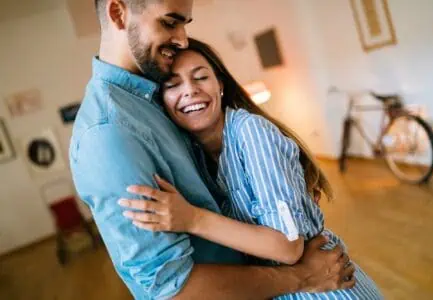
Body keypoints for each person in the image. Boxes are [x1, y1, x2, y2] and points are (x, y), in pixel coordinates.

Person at [70, 0, 355, 299]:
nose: (181, 39)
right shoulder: (108, 132)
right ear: (117, 13)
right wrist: (301, 276)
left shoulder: (151, 99)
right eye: (169, 22)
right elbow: (173, 291)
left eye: (184, 24)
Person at [118, 38, 383, 299]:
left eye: (200, 78)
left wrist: (191, 218)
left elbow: (287, 247)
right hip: (281, 287)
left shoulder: (251, 132)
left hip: (323, 288)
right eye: (173, 84)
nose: (190, 90)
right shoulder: (194, 157)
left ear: (220, 85)